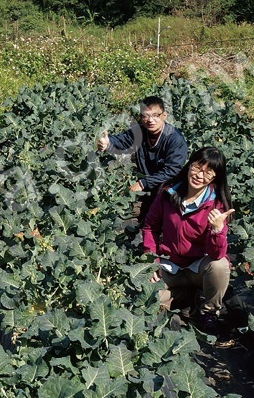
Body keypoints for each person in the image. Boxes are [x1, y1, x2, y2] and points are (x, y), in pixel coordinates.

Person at [142, 147, 235, 334]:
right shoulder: (168, 194)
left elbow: (217, 254)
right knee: (144, 297)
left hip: (198, 268)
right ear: (189, 165)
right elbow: (150, 227)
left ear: (215, 178)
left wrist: (217, 229)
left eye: (208, 173)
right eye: (197, 167)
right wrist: (151, 261)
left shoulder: (216, 205)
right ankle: (185, 296)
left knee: (220, 265)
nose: (200, 175)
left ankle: (208, 312)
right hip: (169, 266)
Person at [97, 95, 187, 220]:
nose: (150, 120)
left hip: (168, 192)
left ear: (164, 115)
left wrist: (143, 183)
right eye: (145, 115)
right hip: (145, 188)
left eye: (155, 115)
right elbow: (121, 140)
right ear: (140, 117)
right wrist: (107, 143)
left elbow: (172, 171)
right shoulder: (139, 131)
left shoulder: (175, 139)